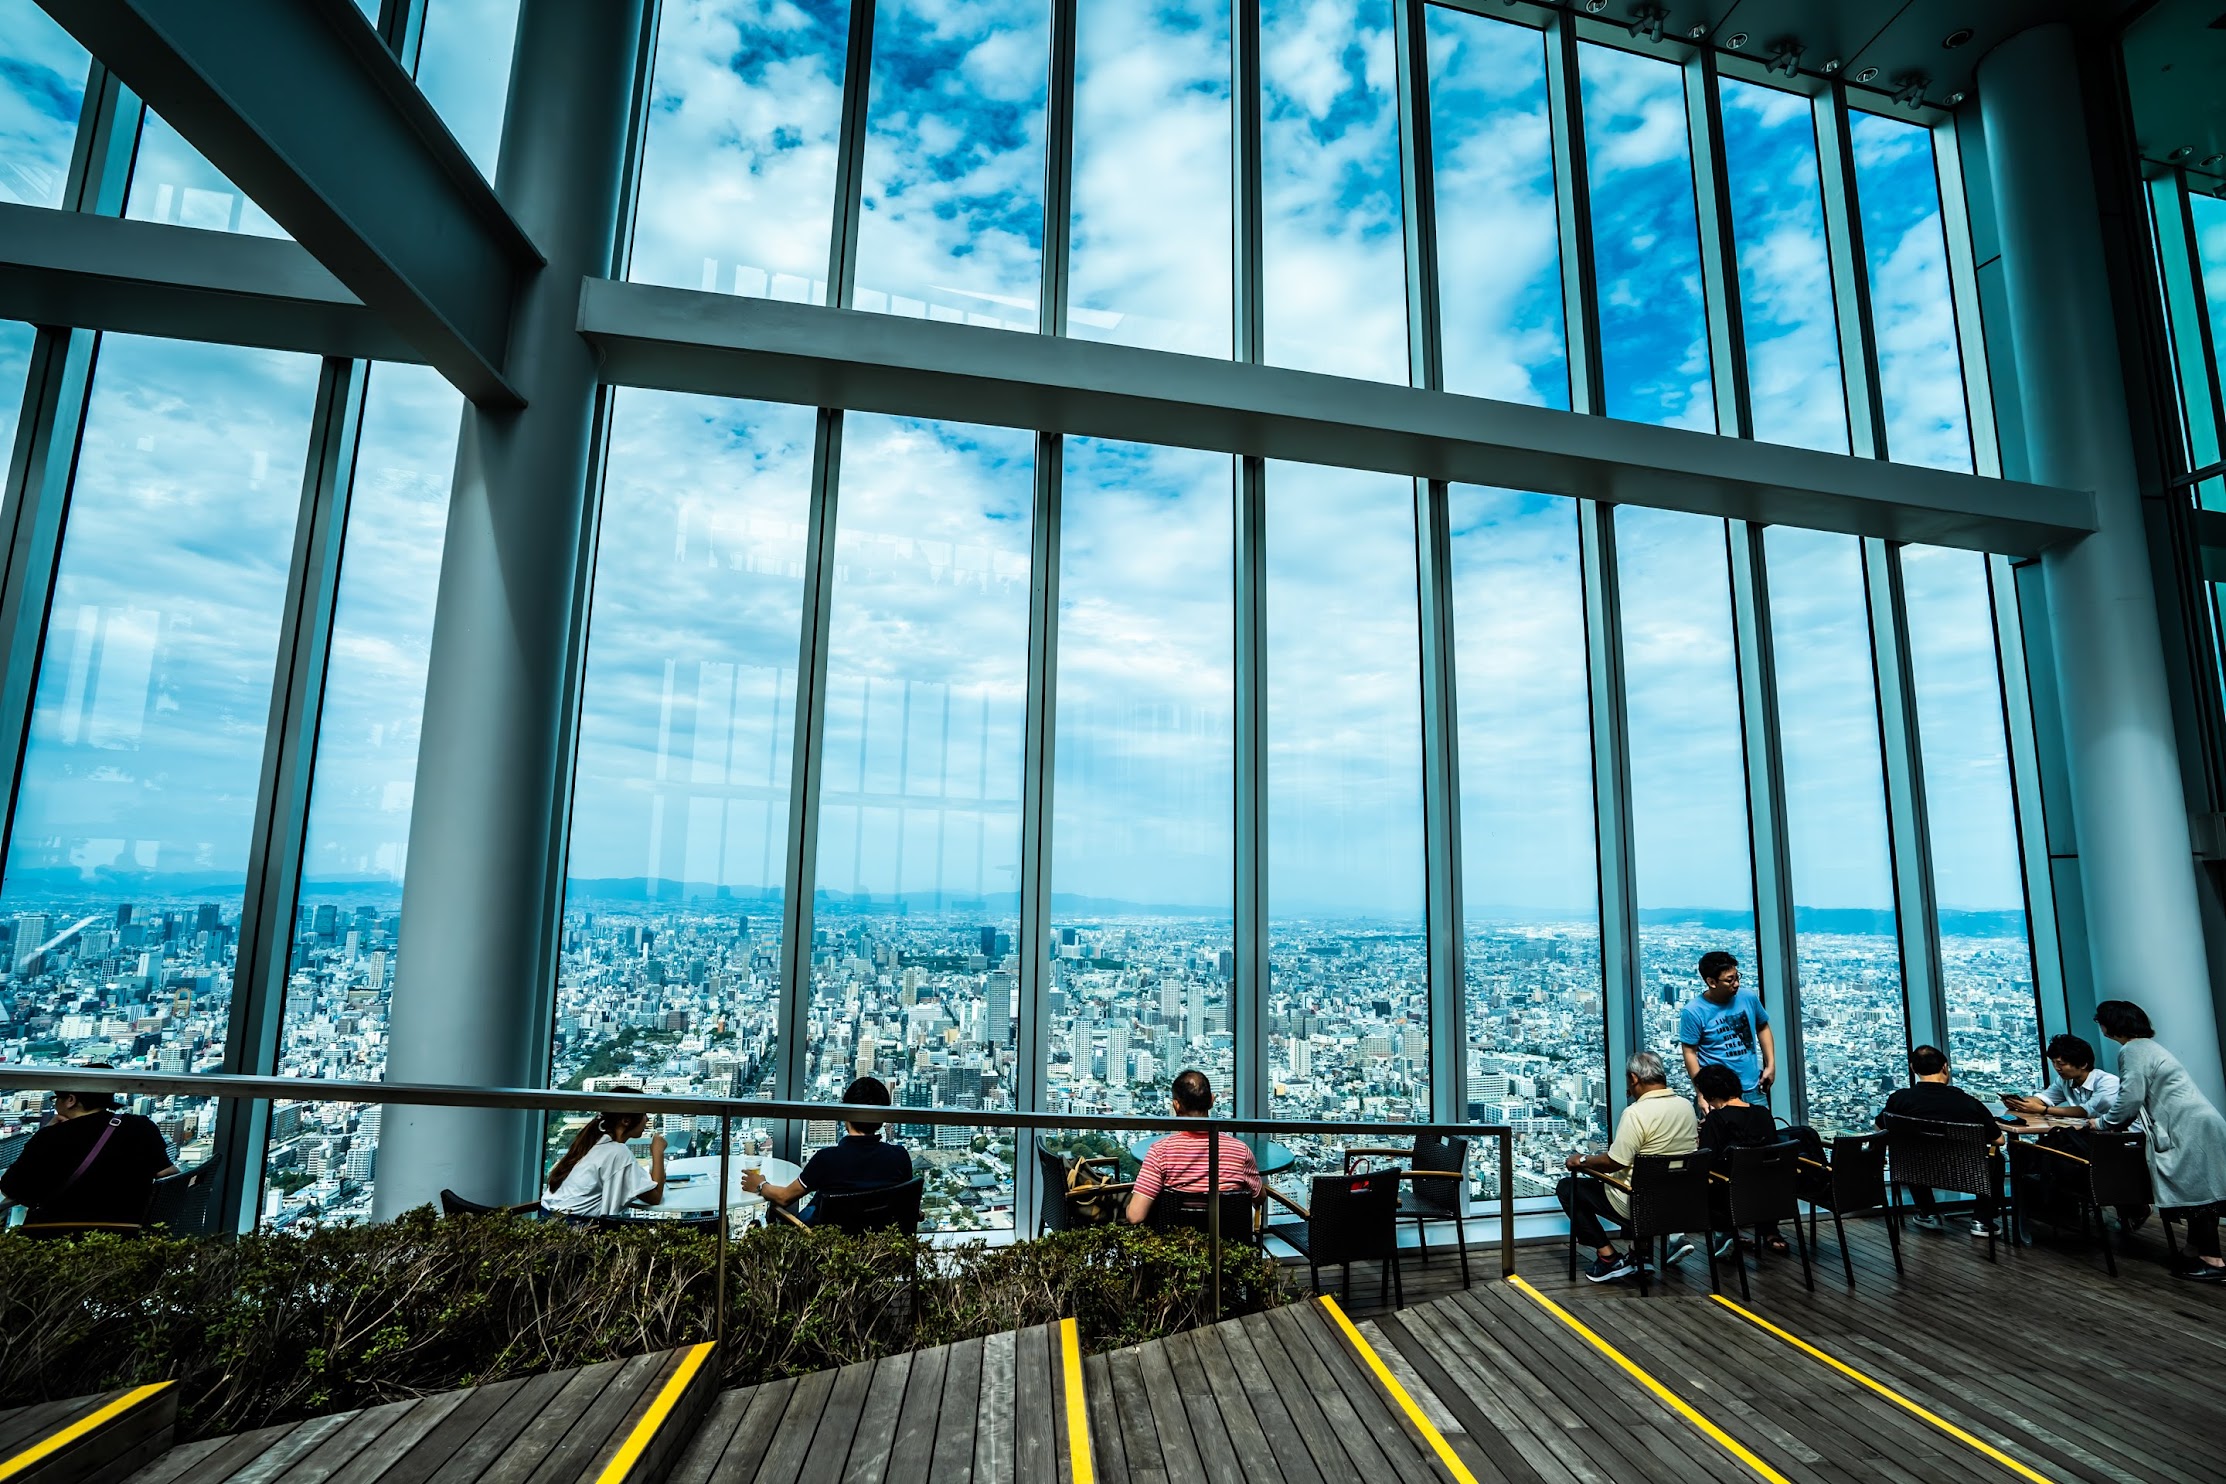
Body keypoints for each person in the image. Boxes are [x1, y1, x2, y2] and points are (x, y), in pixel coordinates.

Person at [2087, 1000, 2226, 1282]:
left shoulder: (2132, 1050)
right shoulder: (2148, 1047)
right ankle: (2193, 1251)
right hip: (2197, 1122)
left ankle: (2214, 1261)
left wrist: (2101, 1123)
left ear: (2109, 1025)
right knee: (2201, 1191)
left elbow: (2131, 1097)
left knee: (2200, 1195)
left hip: (2188, 1126)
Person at [1558, 1052, 1699, 1283]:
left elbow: (1615, 1161)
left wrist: (1582, 1161)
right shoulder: (1685, 1106)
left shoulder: (1636, 1113)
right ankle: (1638, 1254)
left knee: (1568, 1188)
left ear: (1634, 1078)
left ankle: (1607, 1258)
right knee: (1642, 1178)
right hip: (1678, 1202)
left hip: (1641, 1205)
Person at [0, 1072, 178, 1231]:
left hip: (55, 1235)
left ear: (71, 1100)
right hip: (126, 1234)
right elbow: (169, 1175)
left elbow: (11, 1188)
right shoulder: (140, 1126)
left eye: (55, 1099)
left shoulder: (50, 1136)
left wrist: (45, 1131)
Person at [744, 1076, 911, 1224]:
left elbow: (784, 1197)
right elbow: (906, 1206)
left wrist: (760, 1185)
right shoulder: (899, 1157)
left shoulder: (827, 1159)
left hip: (828, 1250)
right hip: (879, 1248)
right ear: (882, 1119)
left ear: (846, 1112)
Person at [1876, 1045, 2001, 1236]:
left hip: (1917, 1169)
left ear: (1913, 1068)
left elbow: (1880, 1127)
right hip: (1965, 1170)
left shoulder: (1899, 1099)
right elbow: (1999, 1140)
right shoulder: (1967, 1102)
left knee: (1911, 1151)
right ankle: (1982, 1220)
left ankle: (1928, 1212)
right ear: (1945, 1067)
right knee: (1996, 1158)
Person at [1125, 1069, 1261, 1225]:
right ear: (1212, 1100)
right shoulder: (1240, 1151)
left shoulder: (1160, 1152)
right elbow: (1259, 1197)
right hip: (1229, 1245)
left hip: (1176, 1245)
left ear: (1176, 1106)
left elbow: (1135, 1216)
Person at [1692, 1063, 1780, 1257]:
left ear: (1710, 1095)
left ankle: (1725, 1236)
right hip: (1768, 1197)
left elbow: (1707, 1161)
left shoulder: (1715, 1120)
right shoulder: (1763, 1114)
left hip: (1730, 1201)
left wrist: (1702, 1136)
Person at [542, 1092, 666, 1219]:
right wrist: (658, 1151)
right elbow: (655, 1197)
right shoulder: (618, 1152)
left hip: (547, 1222)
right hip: (576, 1227)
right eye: (644, 1114)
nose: (648, 1119)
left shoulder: (592, 1141)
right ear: (626, 1121)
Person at [1679, 951, 1775, 1104]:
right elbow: (1689, 1052)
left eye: (1737, 977)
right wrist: (1701, 1093)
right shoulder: (1694, 1011)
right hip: (1717, 1094)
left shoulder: (1748, 997)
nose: (1736, 984)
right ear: (1712, 982)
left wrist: (1770, 1065)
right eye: (1730, 980)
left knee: (1760, 1127)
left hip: (1753, 1086)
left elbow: (1763, 1027)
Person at [2004, 1034, 2130, 1127]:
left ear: (2083, 1064)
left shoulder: (2107, 1082)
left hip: (2117, 1137)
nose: (2057, 1068)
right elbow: (2043, 1099)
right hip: (2088, 1134)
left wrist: (2043, 1110)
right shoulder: (2065, 1081)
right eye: (2053, 1063)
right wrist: (2019, 1103)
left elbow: (2086, 1111)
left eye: (2061, 1063)